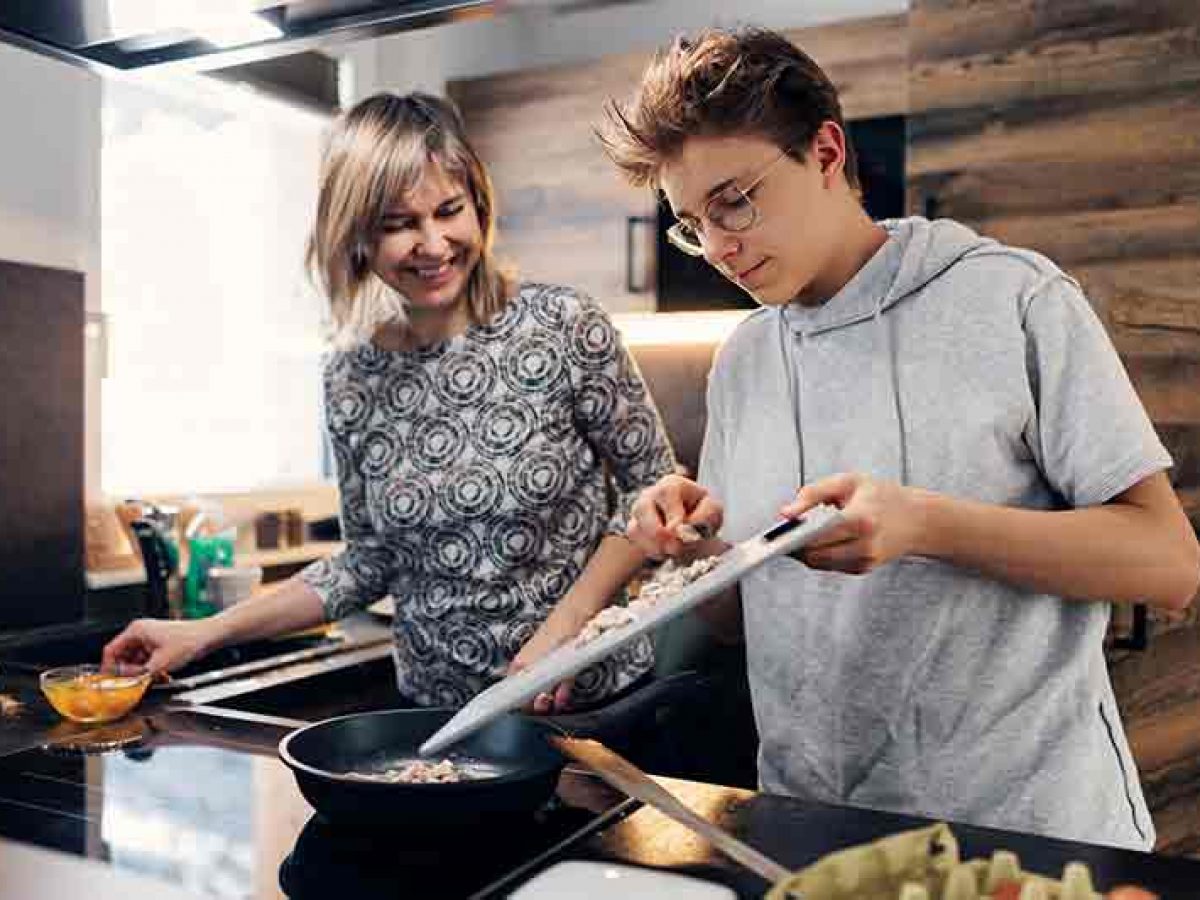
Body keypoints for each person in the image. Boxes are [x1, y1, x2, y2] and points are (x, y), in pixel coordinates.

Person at [601, 27, 1200, 849]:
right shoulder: (743, 360)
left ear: (825, 152)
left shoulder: (1012, 300)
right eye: (691, 223)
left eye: (735, 199)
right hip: (820, 834)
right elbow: (745, 622)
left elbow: (1168, 564)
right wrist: (693, 553)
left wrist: (925, 525)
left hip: (1027, 833)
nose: (719, 247)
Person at [104, 92, 675, 714]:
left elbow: (657, 496)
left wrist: (565, 631)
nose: (434, 243)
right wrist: (202, 633)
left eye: (449, 211)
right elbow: (367, 561)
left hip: (589, 705)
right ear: (357, 239)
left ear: (478, 204)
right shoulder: (351, 376)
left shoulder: (562, 325)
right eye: (400, 224)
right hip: (437, 721)